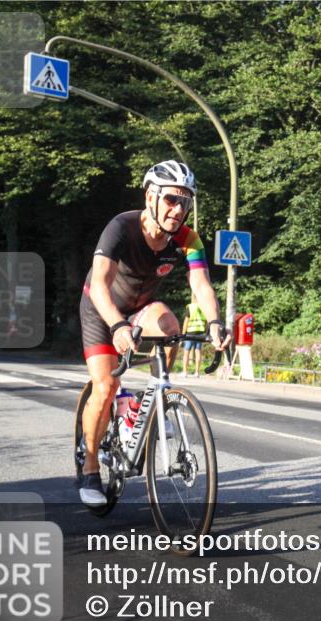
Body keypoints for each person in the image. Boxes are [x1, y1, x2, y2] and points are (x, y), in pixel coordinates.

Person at [78, 160, 230, 506]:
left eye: (185, 202)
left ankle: (150, 401)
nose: (178, 210)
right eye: (171, 200)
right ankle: (88, 468)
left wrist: (215, 323)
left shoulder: (188, 239)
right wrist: (117, 325)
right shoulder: (121, 228)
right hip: (101, 309)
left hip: (141, 308)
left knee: (170, 326)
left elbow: (201, 284)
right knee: (105, 386)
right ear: (151, 196)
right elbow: (100, 284)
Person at [180, 294, 208, 378]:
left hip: (190, 333)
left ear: (194, 298)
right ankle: (197, 372)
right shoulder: (204, 307)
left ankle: (185, 372)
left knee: (186, 352)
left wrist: (183, 333)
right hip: (200, 332)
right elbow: (206, 322)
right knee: (198, 351)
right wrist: (205, 332)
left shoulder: (190, 307)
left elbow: (186, 321)